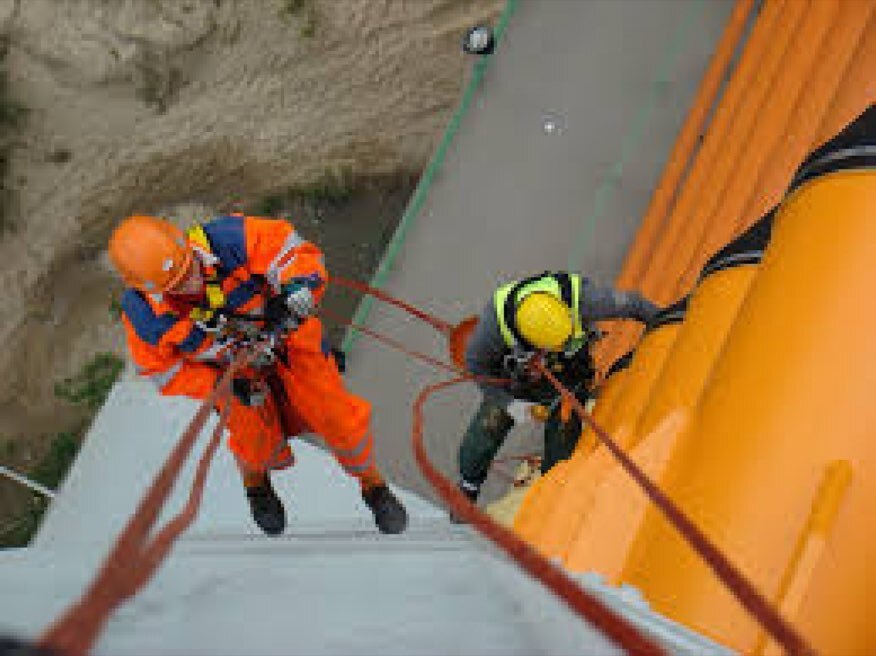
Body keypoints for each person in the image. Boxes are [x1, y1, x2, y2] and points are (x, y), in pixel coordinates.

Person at [108, 213, 407, 536]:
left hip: (288, 339)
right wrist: (221, 385)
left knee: (337, 417)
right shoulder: (144, 316)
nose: (192, 282)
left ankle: (374, 487)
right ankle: (256, 486)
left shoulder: (231, 239)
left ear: (186, 244)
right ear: (152, 290)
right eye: (178, 284)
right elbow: (162, 372)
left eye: (190, 267)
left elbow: (295, 253)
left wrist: (297, 287)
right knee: (251, 436)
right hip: (231, 371)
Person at [454, 271, 659, 520]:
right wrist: (513, 406)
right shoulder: (491, 331)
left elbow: (633, 303)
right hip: (515, 383)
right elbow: (478, 370)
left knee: (563, 437)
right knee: (488, 426)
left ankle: (550, 496)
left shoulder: (584, 299)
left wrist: (661, 321)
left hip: (569, 375)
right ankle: (468, 487)